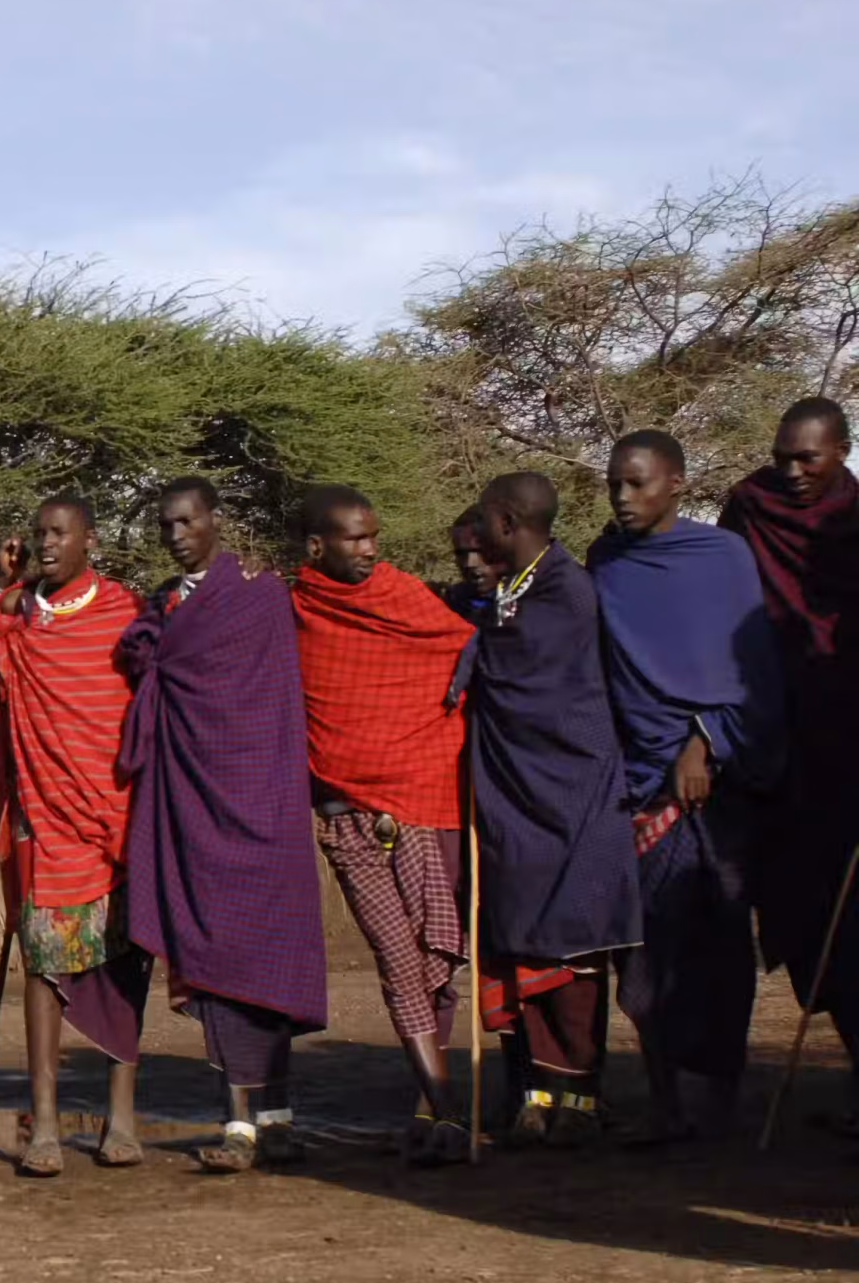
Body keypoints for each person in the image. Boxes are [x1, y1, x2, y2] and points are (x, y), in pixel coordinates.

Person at [120, 478, 328, 1174]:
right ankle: (237, 1123)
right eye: (165, 526)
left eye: (188, 522)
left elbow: (272, 697)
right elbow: (144, 657)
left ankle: (280, 1115)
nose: (177, 536)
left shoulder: (260, 594)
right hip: (195, 812)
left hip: (263, 807)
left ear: (216, 521)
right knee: (215, 965)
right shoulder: (166, 608)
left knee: (271, 965)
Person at [592, 432, 783, 1141]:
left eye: (637, 484)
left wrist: (705, 741)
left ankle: (722, 1103)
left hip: (721, 789)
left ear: (676, 482)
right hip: (640, 784)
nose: (622, 498)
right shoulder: (605, 562)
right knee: (644, 954)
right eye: (615, 484)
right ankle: (666, 1104)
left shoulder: (723, 559)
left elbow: (753, 673)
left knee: (723, 946)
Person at [290, 485, 478, 1164]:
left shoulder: (402, 596)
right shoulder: (296, 611)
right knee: (399, 963)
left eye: (373, 537)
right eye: (354, 539)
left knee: (433, 959)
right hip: (344, 817)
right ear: (317, 547)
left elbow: (461, 647)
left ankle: (434, 1107)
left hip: (420, 802)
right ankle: (449, 1109)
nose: (369, 550)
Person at [468, 471, 641, 1148]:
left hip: (573, 794)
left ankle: (580, 1091)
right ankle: (537, 1090)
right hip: (520, 803)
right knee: (523, 940)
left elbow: (530, 688)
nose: (477, 536)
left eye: (484, 523)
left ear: (509, 522)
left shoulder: (565, 591)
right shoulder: (518, 589)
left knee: (575, 946)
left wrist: (470, 658)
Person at [0, 493, 149, 1176]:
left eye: (61, 534)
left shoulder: (123, 613)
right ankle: (44, 1121)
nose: (49, 544)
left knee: (124, 964)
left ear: (90, 541)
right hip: (44, 818)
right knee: (45, 967)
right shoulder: (18, 618)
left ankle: (122, 1116)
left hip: (116, 814)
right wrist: (11, 588)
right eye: (39, 534)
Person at [719, 397, 859, 1114]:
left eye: (808, 457)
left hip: (848, 744)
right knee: (800, 917)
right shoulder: (750, 505)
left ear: (842, 449)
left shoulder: (854, 523)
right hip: (774, 739)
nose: (793, 472)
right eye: (783, 457)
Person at [445, 509, 499, 622]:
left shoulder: (534, 604)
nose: (470, 563)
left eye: (480, 551)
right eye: (461, 554)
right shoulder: (452, 604)